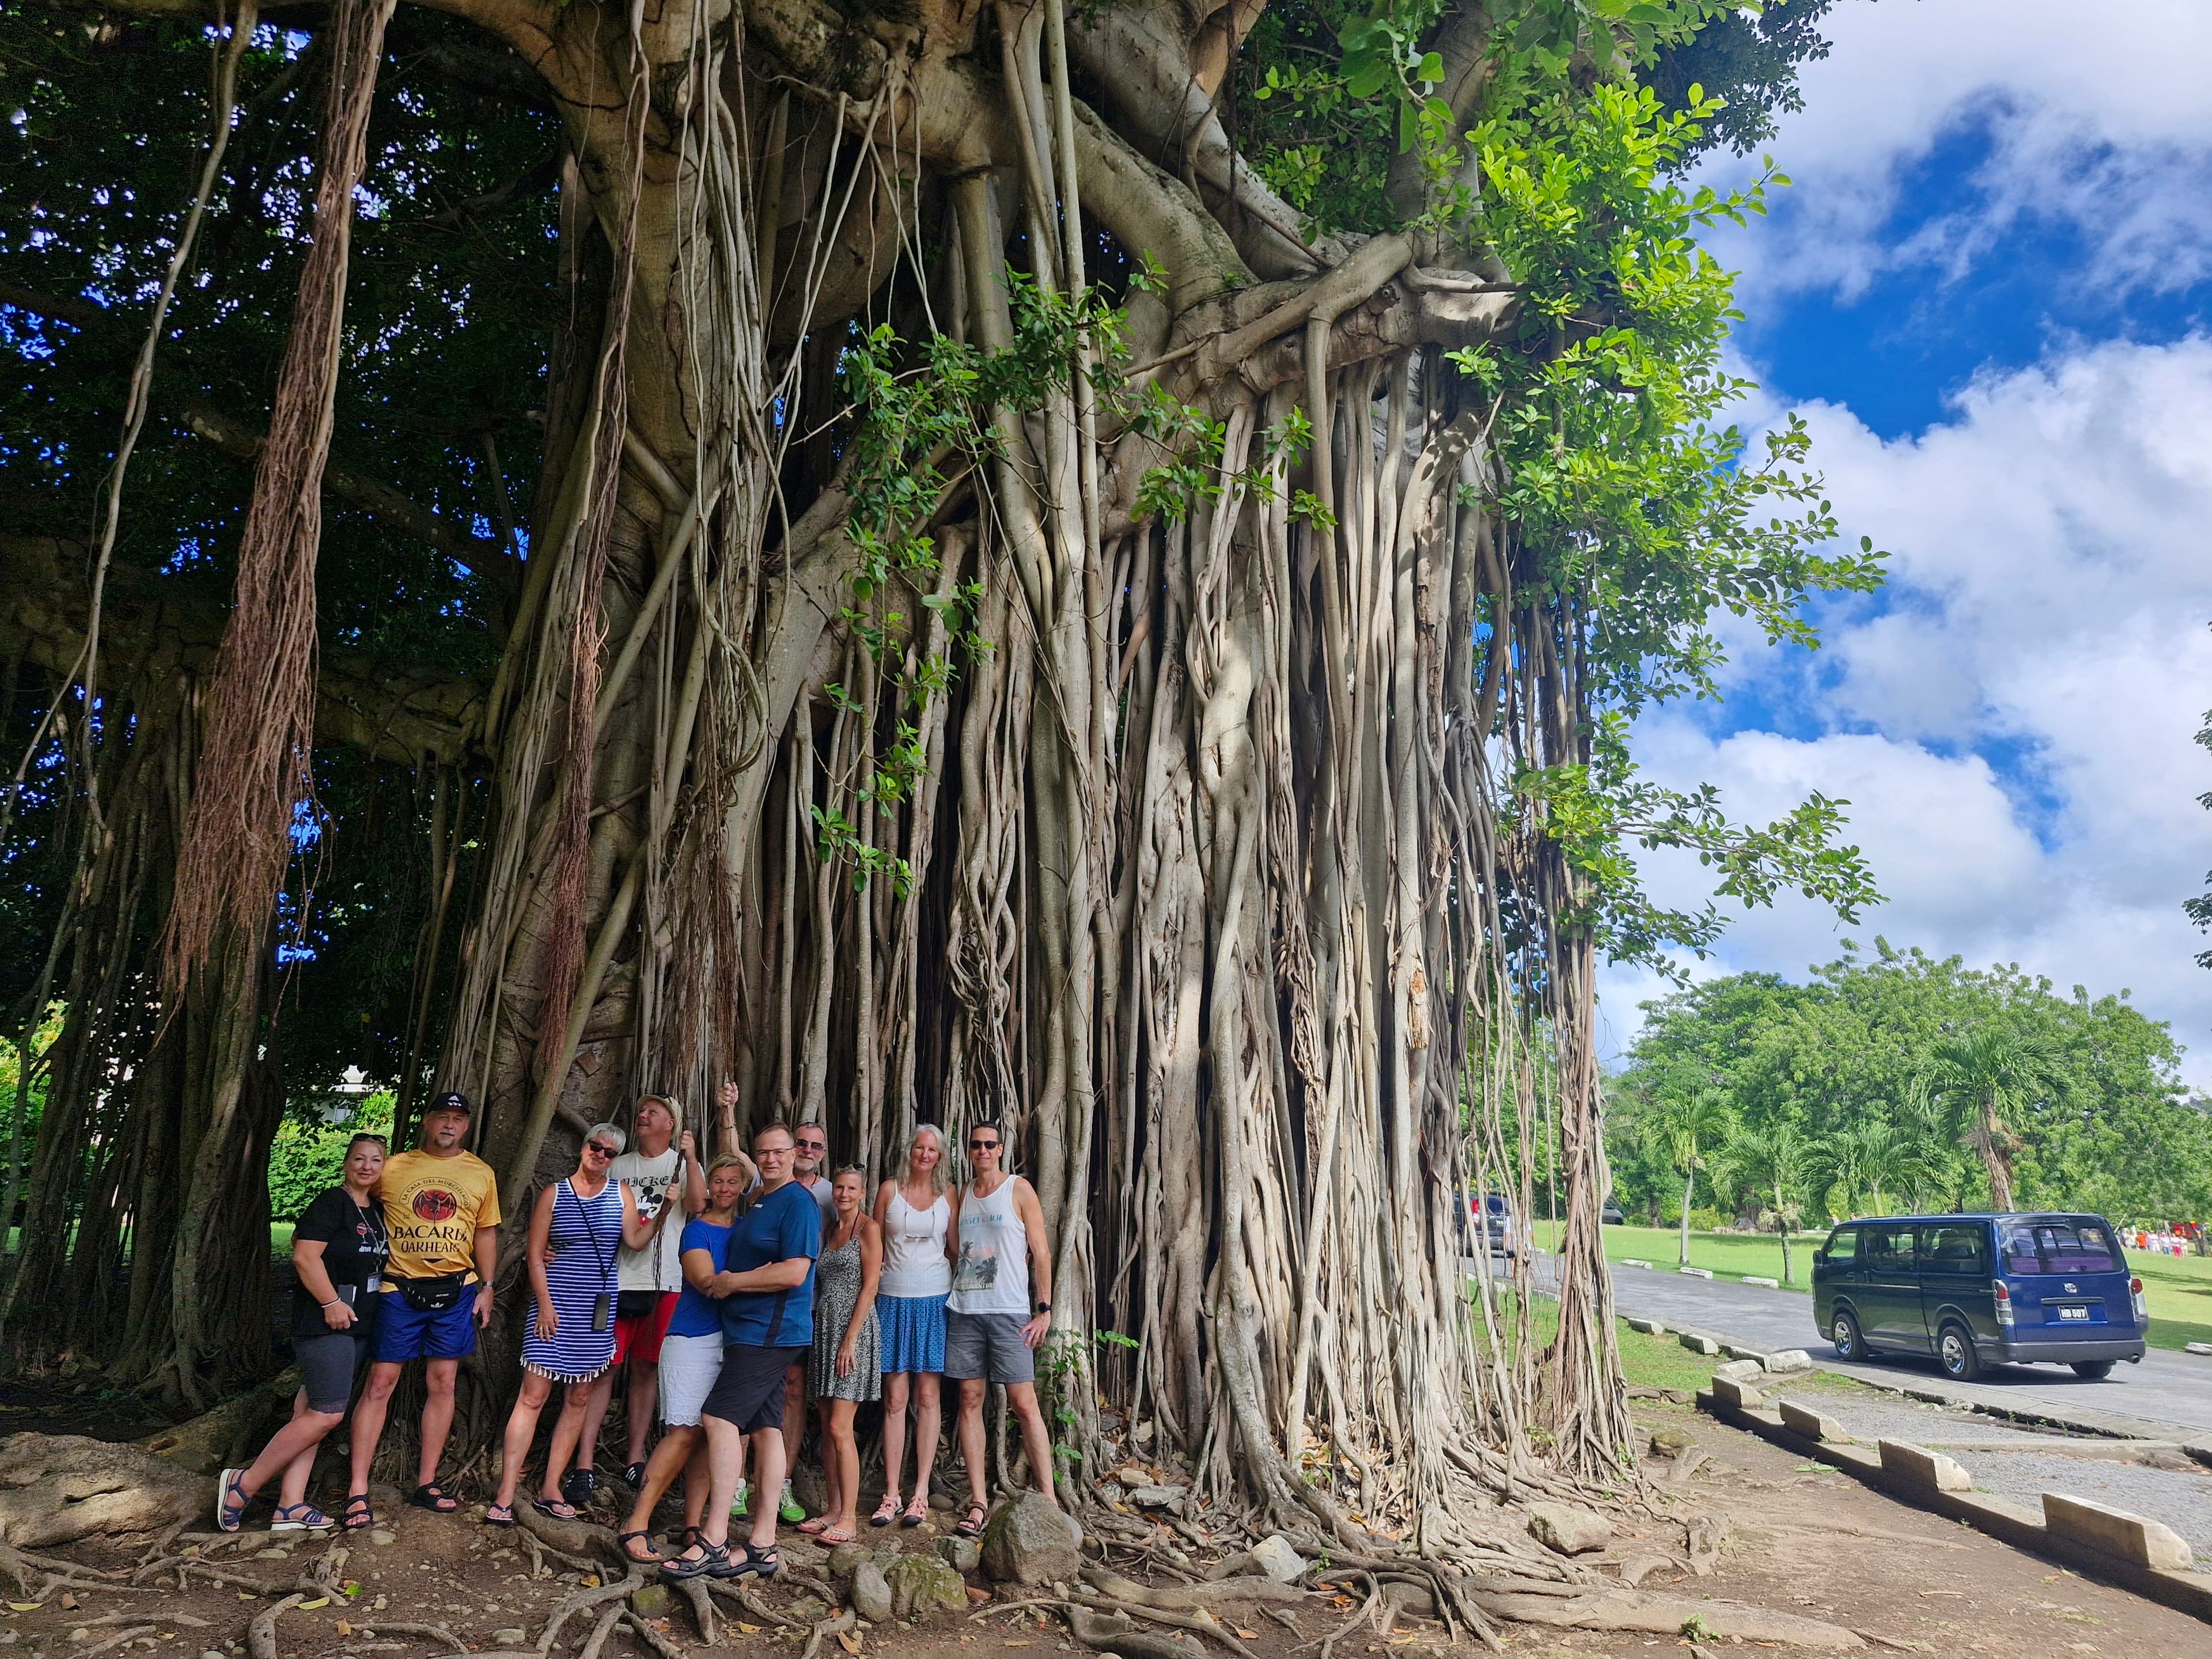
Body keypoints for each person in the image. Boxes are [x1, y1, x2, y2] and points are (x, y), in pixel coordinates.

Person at [660, 1122, 820, 1582]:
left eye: (779, 1152)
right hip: (750, 1330)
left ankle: (712, 1539)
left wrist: (734, 1282)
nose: (771, 1159)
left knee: (718, 1419)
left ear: (795, 1156)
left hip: (769, 1331)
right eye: (763, 1153)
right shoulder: (761, 1201)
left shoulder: (798, 1204)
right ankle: (763, 1546)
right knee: (767, 1428)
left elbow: (794, 1272)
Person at [218, 1133, 390, 1532]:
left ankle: (290, 1505)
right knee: (327, 1415)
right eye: (359, 1158)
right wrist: (330, 1303)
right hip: (324, 1323)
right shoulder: (332, 1203)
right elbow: (303, 1254)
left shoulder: (377, 1209)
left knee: (308, 1412)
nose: (367, 1166)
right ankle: (243, 1485)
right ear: (346, 1163)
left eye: (376, 1160)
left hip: (359, 1325)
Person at [487, 1123, 657, 1525]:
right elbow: (533, 1255)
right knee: (533, 1397)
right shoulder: (554, 1193)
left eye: (609, 1152)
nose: (600, 1155)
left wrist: (665, 1211)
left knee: (579, 1398)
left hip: (597, 1308)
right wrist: (544, 1306)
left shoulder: (621, 1194)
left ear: (615, 1160)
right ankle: (506, 1493)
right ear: (584, 1147)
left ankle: (551, 1487)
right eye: (595, 1147)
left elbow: (634, 1240)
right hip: (555, 1304)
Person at [348, 1092, 501, 1525]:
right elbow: (358, 1199)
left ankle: (426, 1482)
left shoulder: (480, 1174)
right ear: (427, 1122)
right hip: (399, 1288)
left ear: (466, 1126)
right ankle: (358, 1489)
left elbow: (486, 1233)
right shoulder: (394, 1167)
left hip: (457, 1291)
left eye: (457, 1119)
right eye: (441, 1117)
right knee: (381, 1382)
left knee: (444, 1381)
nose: (449, 1125)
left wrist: (487, 1287)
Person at [613, 1152, 754, 1565]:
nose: (726, 1188)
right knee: (683, 1432)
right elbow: (706, 1283)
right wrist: (765, 1281)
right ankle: (635, 1523)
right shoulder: (696, 1230)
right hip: (692, 1339)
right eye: (719, 1181)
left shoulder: (748, 1229)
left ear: (744, 1186)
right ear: (708, 1186)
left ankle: (694, 1525)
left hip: (733, 1341)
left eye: (734, 1181)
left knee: (712, 1434)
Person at [567, 1092, 705, 1505]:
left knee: (646, 1370)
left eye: (653, 1113)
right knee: (601, 1370)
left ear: (671, 1125)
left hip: (666, 1282)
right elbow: (589, 1206)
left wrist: (693, 1158)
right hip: (615, 1280)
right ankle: (584, 1463)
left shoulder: (679, 1165)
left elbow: (699, 1206)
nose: (642, 1116)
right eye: (641, 1110)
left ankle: (635, 1457)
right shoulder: (619, 1165)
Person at [945, 1120, 1058, 1538]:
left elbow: (1041, 1252)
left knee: (1024, 1402)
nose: (983, 1151)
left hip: (1010, 1311)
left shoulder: (1019, 1189)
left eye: (990, 1144)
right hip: (966, 1309)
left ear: (1001, 1148)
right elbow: (955, 1247)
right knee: (970, 1399)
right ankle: (978, 1502)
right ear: (969, 1151)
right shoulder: (962, 1195)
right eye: (976, 1145)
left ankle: (1048, 1499)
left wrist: (1043, 1309)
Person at [870, 1124, 950, 1527]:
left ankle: (920, 1493)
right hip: (892, 1300)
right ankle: (891, 1494)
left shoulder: (948, 1194)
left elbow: (956, 1248)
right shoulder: (889, 1190)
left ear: (939, 1156)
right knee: (895, 1398)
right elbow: (873, 1243)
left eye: (931, 1150)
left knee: (928, 1397)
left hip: (935, 1300)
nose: (924, 1155)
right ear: (910, 1151)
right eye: (919, 1148)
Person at [798, 1166, 880, 1546]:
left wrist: (850, 1339)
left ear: (862, 1193)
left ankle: (849, 1517)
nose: (844, 1194)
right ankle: (832, 1509)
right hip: (825, 1326)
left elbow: (869, 1288)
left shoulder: (869, 1229)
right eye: (840, 1188)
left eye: (852, 1189)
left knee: (839, 1428)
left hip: (854, 1330)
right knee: (828, 1425)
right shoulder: (830, 1230)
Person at [772, 1119, 835, 1525]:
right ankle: (743, 1481)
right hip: (767, 1301)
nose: (809, 1149)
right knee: (763, 1388)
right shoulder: (771, 1182)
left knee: (796, 1391)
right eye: (802, 1143)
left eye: (816, 1145)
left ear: (823, 1153)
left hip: (813, 1306)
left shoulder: (833, 1193)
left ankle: (783, 1481)